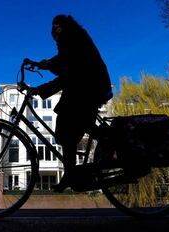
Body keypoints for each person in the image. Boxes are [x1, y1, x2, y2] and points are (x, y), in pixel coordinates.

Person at [29, 15, 113, 192]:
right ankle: (71, 173)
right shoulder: (73, 39)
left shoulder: (72, 38)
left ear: (62, 27)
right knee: (70, 128)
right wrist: (41, 64)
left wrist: (43, 89)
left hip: (90, 86)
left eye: (55, 28)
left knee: (68, 123)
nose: (53, 33)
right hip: (85, 85)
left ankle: (109, 142)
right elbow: (63, 63)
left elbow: (69, 71)